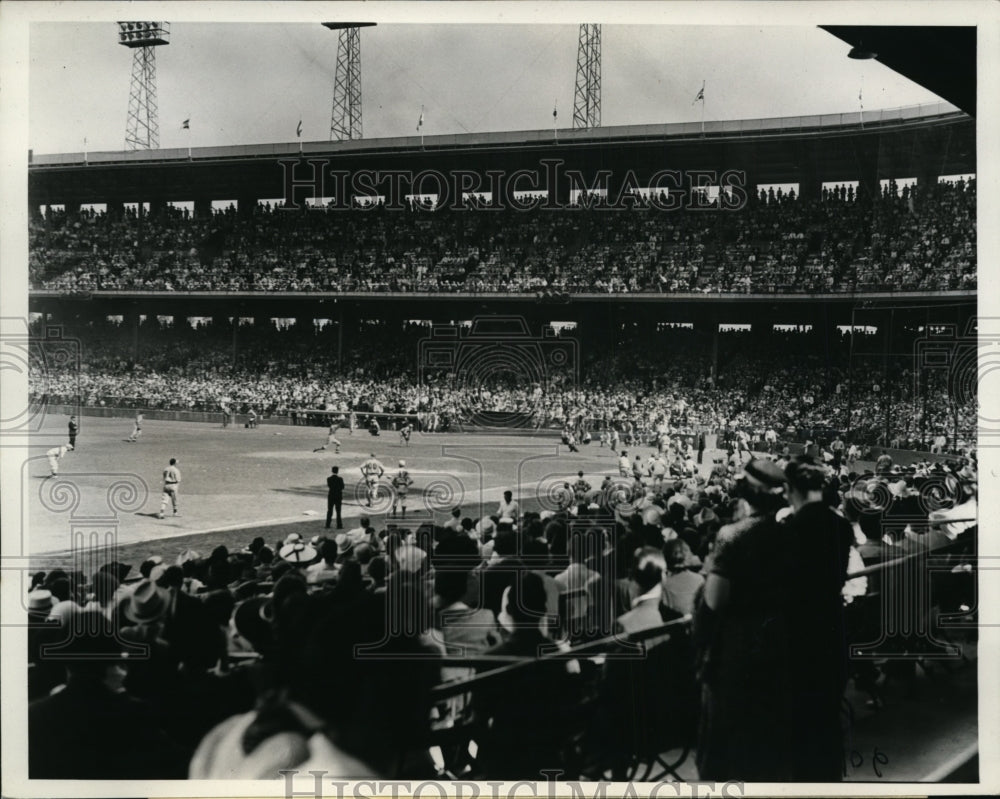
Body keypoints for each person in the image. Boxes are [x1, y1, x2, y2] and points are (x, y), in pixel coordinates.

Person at [694, 458, 795, 781]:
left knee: (725, 739)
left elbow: (715, 599)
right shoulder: (789, 534)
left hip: (738, 645)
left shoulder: (732, 534)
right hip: (780, 642)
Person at [782, 456, 854, 782]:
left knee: (801, 720)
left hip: (800, 634)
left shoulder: (791, 529)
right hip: (834, 625)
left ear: (790, 489)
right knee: (827, 715)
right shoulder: (840, 524)